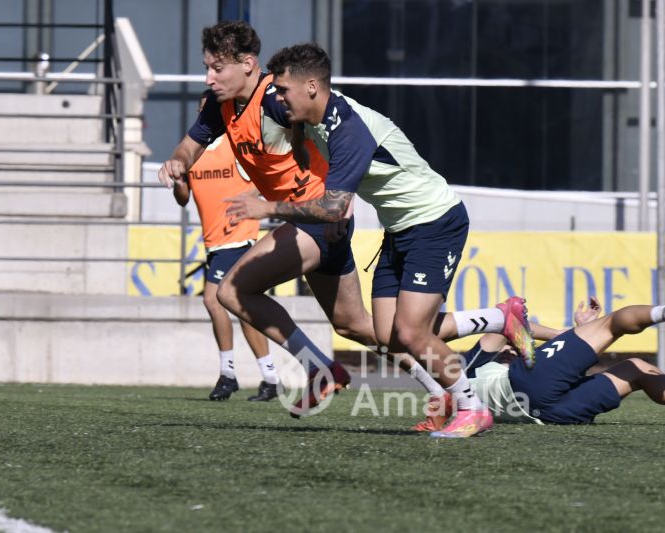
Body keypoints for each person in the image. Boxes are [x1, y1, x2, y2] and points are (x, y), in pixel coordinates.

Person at [158, 22, 525, 418]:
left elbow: (315, 134)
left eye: (217, 68)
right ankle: (485, 331)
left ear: (248, 65)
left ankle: (325, 372)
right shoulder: (229, 103)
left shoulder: (282, 101)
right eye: (207, 67)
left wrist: (279, 204)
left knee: (232, 291)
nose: (209, 78)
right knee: (364, 328)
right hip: (333, 216)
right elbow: (192, 144)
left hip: (323, 214)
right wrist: (179, 161)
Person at [420, 278, 665, 430]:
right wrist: (573, 331)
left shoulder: (463, 384)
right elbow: (504, 325)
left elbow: (514, 332)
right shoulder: (466, 366)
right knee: (610, 324)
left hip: (553, 415)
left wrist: (574, 333)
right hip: (528, 385)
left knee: (637, 369)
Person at [169, 90, 278, 402]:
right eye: (205, 109)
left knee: (214, 300)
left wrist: (251, 200)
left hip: (239, 237)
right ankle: (269, 377)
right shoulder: (192, 151)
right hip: (214, 242)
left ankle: (228, 374)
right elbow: (183, 198)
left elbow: (267, 178)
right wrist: (178, 181)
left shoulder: (236, 145)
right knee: (243, 309)